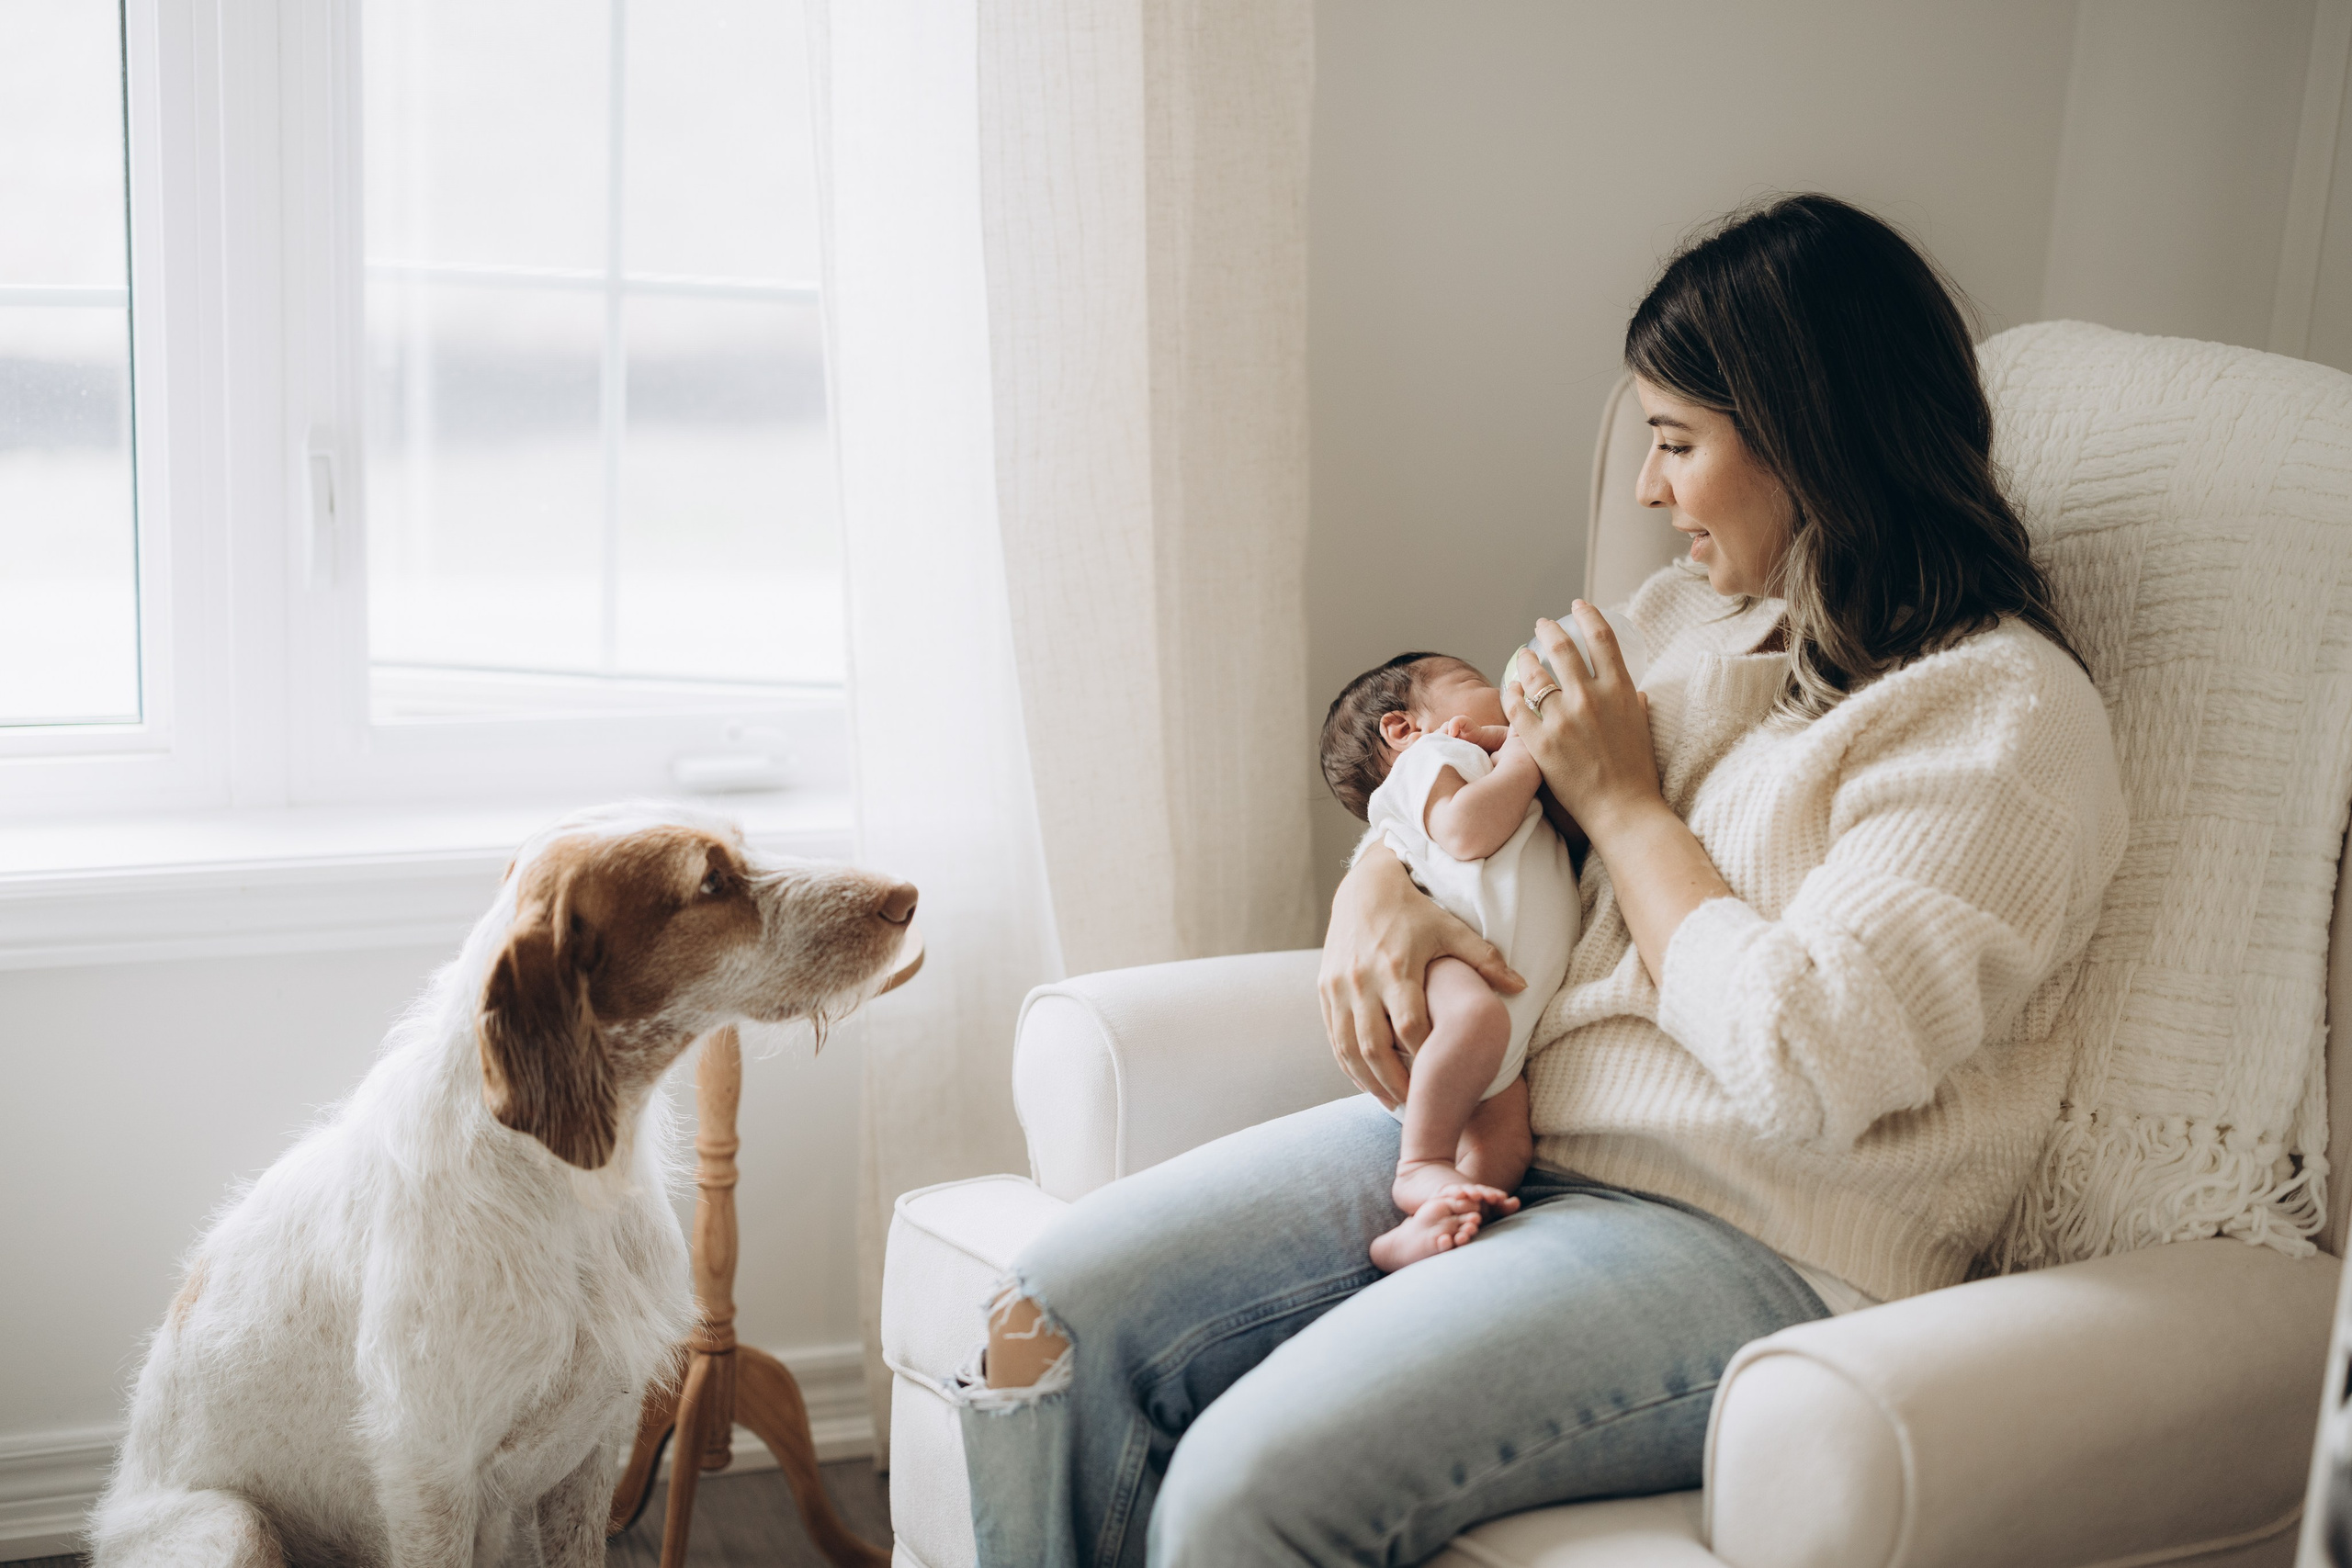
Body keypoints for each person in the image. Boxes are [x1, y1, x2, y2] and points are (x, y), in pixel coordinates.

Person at [954, 193, 2130, 1568]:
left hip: (1751, 1233)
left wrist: (1626, 807)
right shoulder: (1685, 618)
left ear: (1811, 436)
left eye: (1676, 442)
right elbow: (1457, 778)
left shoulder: (1999, 715)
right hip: (1521, 1139)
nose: (1646, 492)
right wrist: (1375, 886)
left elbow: (1813, 1058)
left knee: (1239, 1490)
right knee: (1037, 1325)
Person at [1317, 651, 1579, 1269]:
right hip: (1442, 966)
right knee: (1475, 1020)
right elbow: (1465, 831)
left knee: (1507, 1142)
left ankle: (1431, 1219)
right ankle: (1419, 1165)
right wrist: (1522, 752)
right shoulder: (1432, 760)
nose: (1498, 691)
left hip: (1489, 1039)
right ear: (1402, 728)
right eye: (1474, 682)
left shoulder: (1494, 776)